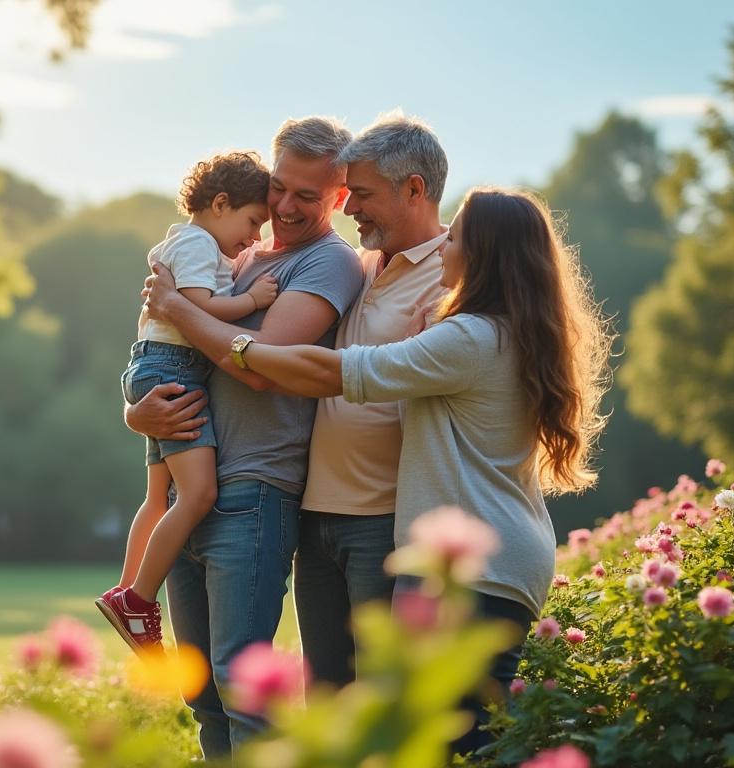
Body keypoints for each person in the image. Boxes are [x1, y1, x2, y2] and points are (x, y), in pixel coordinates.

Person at [235, 186, 611, 754]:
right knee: (453, 737)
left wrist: (236, 345)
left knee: (440, 744)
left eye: (455, 237)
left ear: (482, 254)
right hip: (506, 557)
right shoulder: (508, 333)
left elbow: (328, 371)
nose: (444, 249)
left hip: (469, 568)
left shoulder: (469, 338)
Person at [133, 116, 364, 758]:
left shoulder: (330, 263)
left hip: (253, 492)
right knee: (202, 691)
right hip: (190, 488)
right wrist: (136, 413)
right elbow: (167, 355)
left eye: (307, 197)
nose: (284, 207)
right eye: (278, 188)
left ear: (339, 198)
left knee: (242, 686)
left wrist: (177, 305)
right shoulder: (237, 254)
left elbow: (262, 366)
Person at [294, 113, 451, 688]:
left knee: (382, 703)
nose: (349, 208)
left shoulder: (452, 274)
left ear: (414, 188)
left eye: (361, 194)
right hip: (315, 518)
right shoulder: (358, 265)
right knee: (326, 699)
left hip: (386, 523)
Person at [97, 151, 277, 651]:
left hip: (153, 366)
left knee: (160, 498)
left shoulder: (184, 242)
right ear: (220, 203)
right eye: (252, 221)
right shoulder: (198, 245)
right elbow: (201, 309)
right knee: (199, 495)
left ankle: (126, 589)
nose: (255, 237)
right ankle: (136, 600)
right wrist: (254, 302)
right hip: (175, 369)